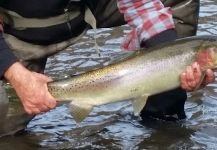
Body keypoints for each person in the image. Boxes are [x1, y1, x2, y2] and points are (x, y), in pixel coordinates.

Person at [0, 0, 214, 124]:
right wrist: (17, 75)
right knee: (6, 129)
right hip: (17, 31)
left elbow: (145, 6)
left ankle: (163, 113)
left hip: (84, 9)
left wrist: (175, 64)